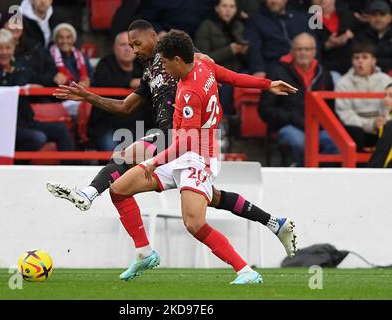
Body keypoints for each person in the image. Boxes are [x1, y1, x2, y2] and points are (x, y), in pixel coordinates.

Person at [48, 20, 298, 259]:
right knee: (214, 198)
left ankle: (89, 194)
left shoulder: (176, 55)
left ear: (153, 37)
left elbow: (211, 66)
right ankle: (275, 223)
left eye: (136, 43)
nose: (134, 50)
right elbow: (125, 107)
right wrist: (89, 96)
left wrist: (263, 84)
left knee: (126, 155)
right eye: (130, 45)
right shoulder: (149, 73)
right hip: (184, 146)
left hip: (182, 135)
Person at [102, 30, 297, 284]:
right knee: (119, 189)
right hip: (178, 151)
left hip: (196, 157)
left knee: (194, 223)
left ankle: (246, 271)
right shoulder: (204, 63)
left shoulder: (189, 93)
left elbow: (189, 141)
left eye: (165, 61)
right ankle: (144, 252)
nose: (163, 67)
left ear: (178, 60)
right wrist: (266, 84)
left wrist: (153, 161)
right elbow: (232, 77)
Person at [0, 29, 75, 153]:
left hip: (26, 121)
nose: (4, 52)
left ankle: (68, 171)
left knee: (62, 130)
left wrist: (55, 78)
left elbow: (37, 78)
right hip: (0, 126)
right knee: (37, 138)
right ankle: (17, 170)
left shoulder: (20, 65)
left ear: (13, 48)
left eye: (8, 48)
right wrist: (23, 89)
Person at [259, 33, 338, 166]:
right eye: (299, 49)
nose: (303, 53)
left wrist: (320, 123)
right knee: (299, 142)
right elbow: (265, 109)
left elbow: (330, 107)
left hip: (318, 127)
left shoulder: (323, 73)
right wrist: (292, 117)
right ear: (292, 52)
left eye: (307, 49)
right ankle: (304, 173)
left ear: (314, 52)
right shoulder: (277, 73)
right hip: (289, 126)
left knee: (336, 142)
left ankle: (321, 177)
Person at [91, 31, 146, 151]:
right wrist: (130, 83)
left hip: (138, 126)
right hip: (108, 125)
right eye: (122, 45)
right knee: (111, 150)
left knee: (149, 149)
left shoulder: (142, 65)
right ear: (115, 48)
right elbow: (104, 83)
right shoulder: (104, 65)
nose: (127, 49)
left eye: (131, 45)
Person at [195, 0, 249, 116]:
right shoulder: (206, 26)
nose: (228, 10)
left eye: (232, 6)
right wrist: (230, 50)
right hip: (215, 73)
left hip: (238, 71)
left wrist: (245, 51)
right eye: (224, 6)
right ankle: (222, 121)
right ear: (217, 8)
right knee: (226, 88)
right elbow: (202, 58)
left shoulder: (239, 26)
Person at [335, 43, 391, 152]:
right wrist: (371, 124)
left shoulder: (387, 80)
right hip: (356, 129)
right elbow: (345, 114)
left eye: (365, 57)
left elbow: (390, 107)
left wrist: (385, 121)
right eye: (356, 58)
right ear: (352, 61)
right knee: (354, 132)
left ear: (373, 61)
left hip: (383, 125)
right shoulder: (342, 83)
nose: (360, 61)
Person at [244, 0, 311, 78]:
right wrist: (258, 69)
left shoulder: (300, 19)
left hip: (302, 64)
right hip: (273, 66)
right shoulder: (256, 20)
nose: (273, 1)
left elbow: (313, 43)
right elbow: (254, 47)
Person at [311, 0, 356, 77]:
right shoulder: (308, 20)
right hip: (325, 68)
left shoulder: (347, 15)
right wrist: (327, 45)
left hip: (352, 66)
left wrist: (352, 37)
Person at [354, 1, 392, 75]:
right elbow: (359, 60)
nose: (378, 19)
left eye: (382, 14)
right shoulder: (361, 36)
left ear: (390, 18)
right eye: (374, 15)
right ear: (368, 18)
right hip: (367, 75)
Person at [367, 83, 392, 168]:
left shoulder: (390, 126)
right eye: (385, 95)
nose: (386, 99)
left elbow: (380, 157)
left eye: (391, 96)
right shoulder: (388, 124)